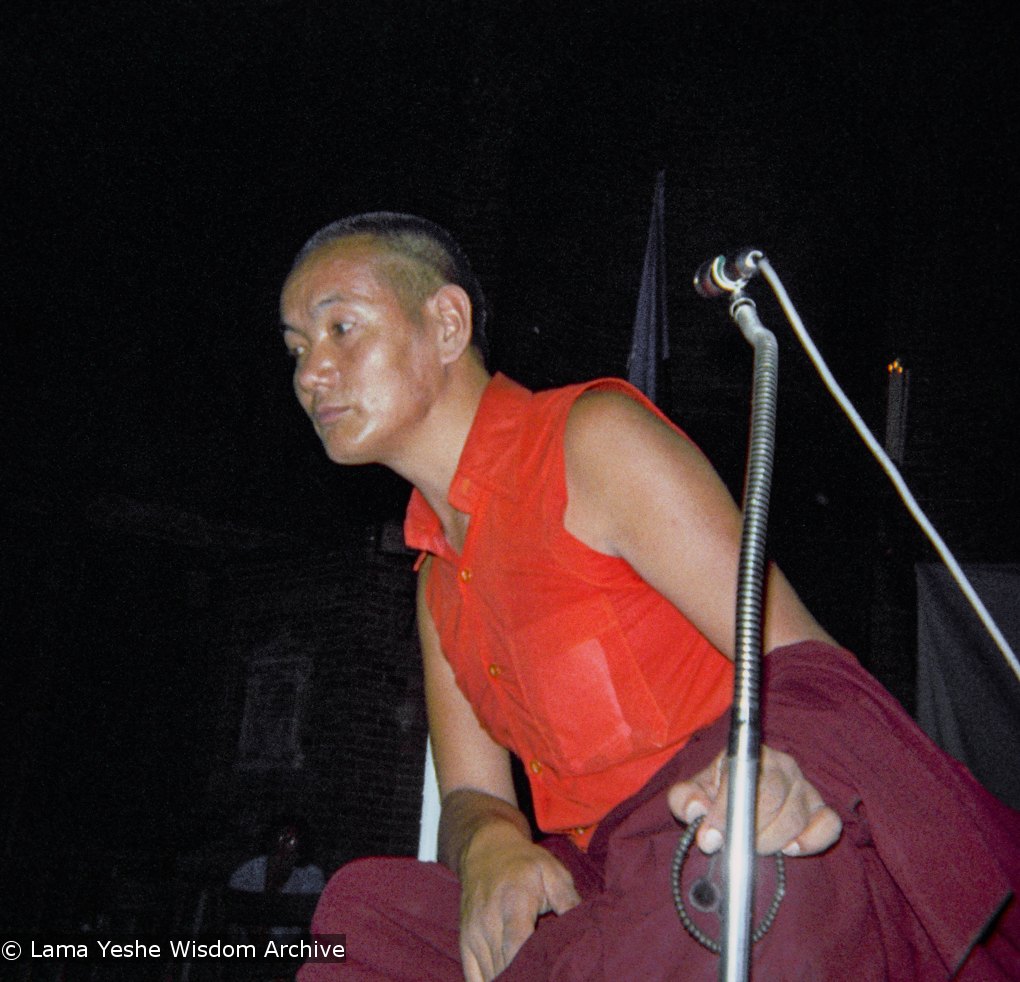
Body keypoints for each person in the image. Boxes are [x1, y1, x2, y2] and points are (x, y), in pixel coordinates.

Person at [280, 213, 1020, 981]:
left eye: (340, 329)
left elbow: (809, 662)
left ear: (446, 323)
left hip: (714, 838)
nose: (310, 374)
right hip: (601, 884)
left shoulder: (590, 441)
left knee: (710, 874)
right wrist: (489, 844)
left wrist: (771, 771)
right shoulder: (437, 577)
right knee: (365, 914)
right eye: (297, 348)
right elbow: (471, 792)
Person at [227, 816, 325, 940]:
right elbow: (232, 923)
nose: (284, 846)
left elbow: (314, 927)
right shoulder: (246, 873)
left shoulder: (311, 877)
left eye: (292, 841)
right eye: (281, 837)